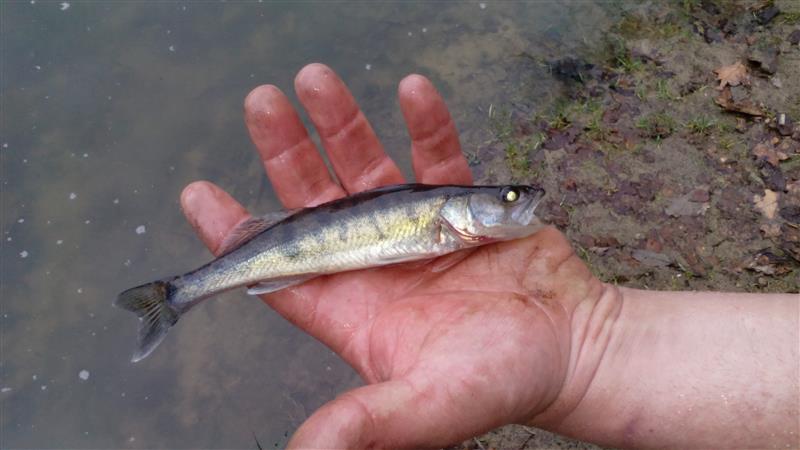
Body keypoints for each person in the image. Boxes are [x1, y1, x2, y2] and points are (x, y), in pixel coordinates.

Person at [179, 63, 799, 449]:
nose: (518, 202)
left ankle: (183, 291)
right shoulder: (443, 220)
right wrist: (594, 348)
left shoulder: (454, 230)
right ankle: (182, 292)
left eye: (512, 198)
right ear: (460, 211)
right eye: (506, 198)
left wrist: (587, 347)